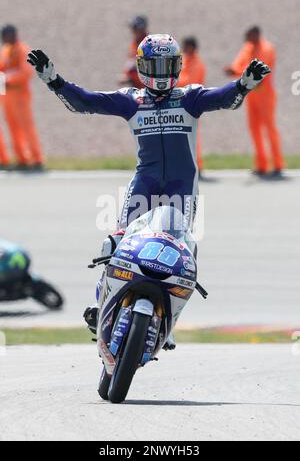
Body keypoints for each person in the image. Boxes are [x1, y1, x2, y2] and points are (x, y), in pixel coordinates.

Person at [28, 34, 271, 346]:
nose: (160, 73)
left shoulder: (189, 97)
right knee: (113, 242)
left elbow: (222, 98)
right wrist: (53, 79)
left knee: (186, 254)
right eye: (153, 66)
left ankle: (167, 327)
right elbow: (85, 102)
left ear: (177, 66)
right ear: (142, 67)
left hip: (181, 190)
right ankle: (100, 303)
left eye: (166, 65)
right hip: (145, 184)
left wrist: (244, 85)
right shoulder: (131, 100)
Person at [224, 26, 284, 178]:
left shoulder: (267, 48)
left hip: (265, 94)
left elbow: (260, 70)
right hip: (252, 94)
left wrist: (237, 71)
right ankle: (262, 165)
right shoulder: (248, 47)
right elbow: (241, 64)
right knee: (254, 129)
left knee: (270, 129)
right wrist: (233, 69)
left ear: (256, 35)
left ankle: (277, 164)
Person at [0, 25, 44, 170]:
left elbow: (25, 72)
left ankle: (36, 159)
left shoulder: (23, 50)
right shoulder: (6, 51)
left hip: (20, 94)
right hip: (7, 95)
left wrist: (7, 78)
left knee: (26, 127)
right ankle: (22, 159)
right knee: (14, 128)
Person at [177, 37, 206, 176]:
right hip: (181, 103)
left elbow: (190, 82)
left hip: (191, 103)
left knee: (191, 136)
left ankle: (197, 165)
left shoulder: (197, 64)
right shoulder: (184, 60)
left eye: (187, 47)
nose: (184, 49)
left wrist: (173, 81)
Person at [119, 15, 148, 88]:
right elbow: (130, 60)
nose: (132, 31)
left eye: (135, 28)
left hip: (146, 85)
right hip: (136, 84)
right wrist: (126, 74)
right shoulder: (134, 42)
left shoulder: (148, 43)